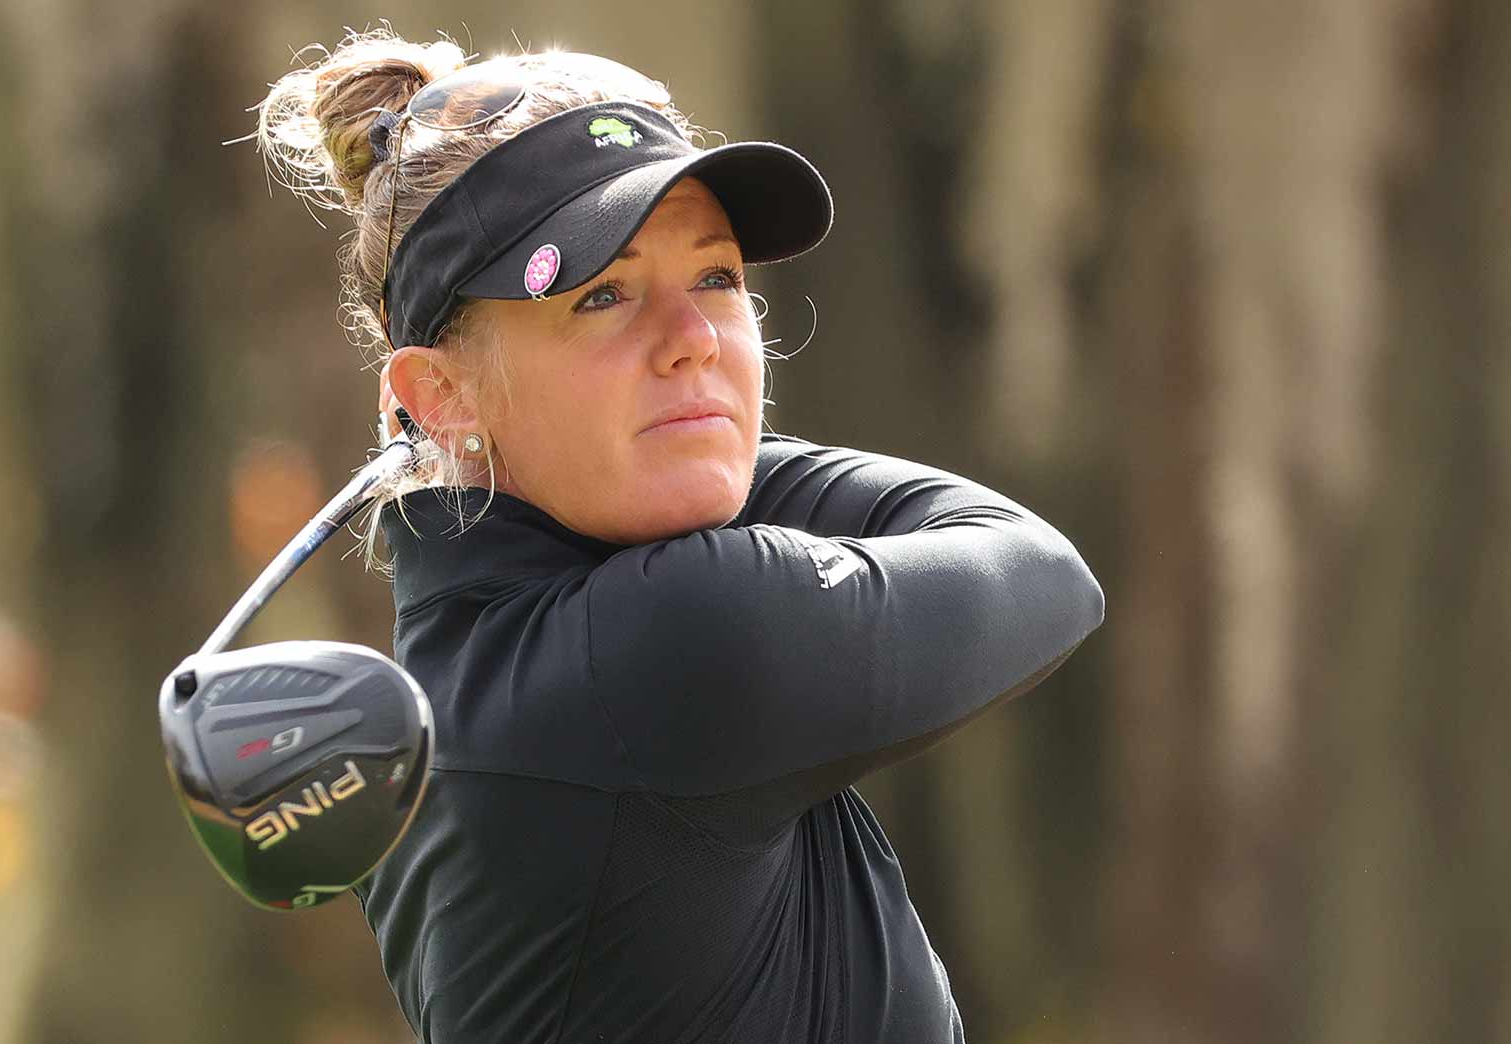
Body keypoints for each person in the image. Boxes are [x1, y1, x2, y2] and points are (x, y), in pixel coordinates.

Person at [253, 28, 1104, 1043]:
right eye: (602, 295)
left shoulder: (436, 692)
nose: (694, 340)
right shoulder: (674, 642)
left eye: (716, 278)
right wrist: (705, 437)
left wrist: (686, 438)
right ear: (439, 394)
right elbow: (1041, 573)